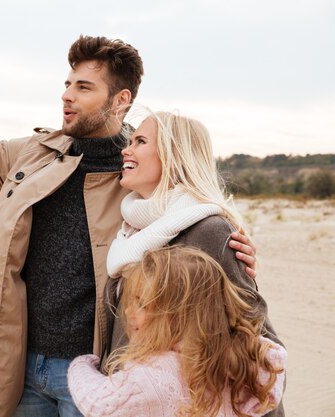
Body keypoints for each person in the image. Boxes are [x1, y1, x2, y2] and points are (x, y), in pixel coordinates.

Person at [0, 2, 258, 416]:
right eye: (68, 83)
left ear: (120, 100)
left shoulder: (144, 176)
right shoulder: (32, 156)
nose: (67, 95)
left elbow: (198, 226)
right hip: (23, 366)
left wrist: (240, 256)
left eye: (84, 87)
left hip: (98, 374)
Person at [92, 111, 285, 416]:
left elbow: (257, 341)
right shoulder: (131, 230)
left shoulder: (210, 230)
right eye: (129, 141)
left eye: (140, 141)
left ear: (175, 156)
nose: (125, 150)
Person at [67, 245, 287, 417]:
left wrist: (82, 365)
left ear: (177, 317)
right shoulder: (239, 362)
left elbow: (97, 403)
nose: (128, 311)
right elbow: (274, 362)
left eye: (142, 304)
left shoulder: (148, 378)